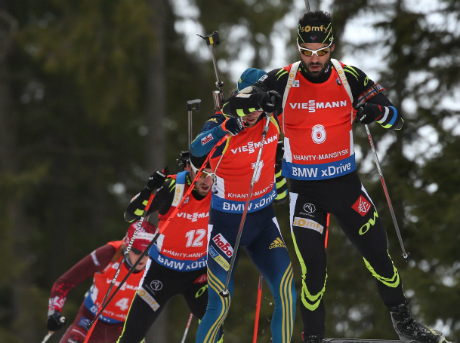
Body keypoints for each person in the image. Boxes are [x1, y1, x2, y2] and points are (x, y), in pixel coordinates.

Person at [221, 11, 449, 343]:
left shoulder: (349, 77)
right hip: (305, 193)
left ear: (331, 46)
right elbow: (231, 108)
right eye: (307, 51)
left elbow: (396, 118)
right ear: (298, 47)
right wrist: (259, 98)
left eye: (322, 51)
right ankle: (313, 337)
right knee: (313, 270)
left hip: (345, 186)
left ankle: (405, 324)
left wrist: (373, 111)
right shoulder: (282, 80)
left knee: (378, 256)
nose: (314, 59)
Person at [190, 68, 296, 343]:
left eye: (258, 104)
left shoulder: (273, 120)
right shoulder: (222, 121)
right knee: (219, 304)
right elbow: (196, 149)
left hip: (262, 222)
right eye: (248, 101)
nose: (251, 112)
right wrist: (224, 128)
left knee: (287, 292)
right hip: (226, 224)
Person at [117, 153, 223, 343]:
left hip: (197, 274)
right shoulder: (172, 187)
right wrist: (149, 189)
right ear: (189, 169)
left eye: (211, 174)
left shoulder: (219, 188)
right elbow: (131, 214)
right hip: (163, 272)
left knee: (215, 331)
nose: (207, 181)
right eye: (201, 174)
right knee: (132, 335)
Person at [46, 220, 155, 343]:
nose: (142, 257)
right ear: (127, 245)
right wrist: (53, 312)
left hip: (125, 327)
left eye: (148, 252)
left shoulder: (154, 266)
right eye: (136, 251)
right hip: (90, 320)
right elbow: (64, 282)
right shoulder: (109, 254)